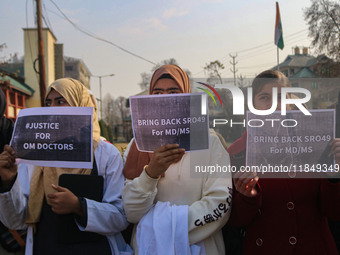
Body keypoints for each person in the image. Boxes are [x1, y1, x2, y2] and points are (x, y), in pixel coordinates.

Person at [0, 78, 131, 255]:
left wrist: (79, 206)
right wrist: (8, 183)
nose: (53, 108)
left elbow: (120, 217)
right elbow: (16, 221)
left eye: (60, 101)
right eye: (48, 103)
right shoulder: (33, 155)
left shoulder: (105, 153)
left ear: (80, 104)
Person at [224, 70, 340, 255]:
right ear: (252, 104)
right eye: (264, 97)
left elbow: (335, 213)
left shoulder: (319, 143)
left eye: (281, 97)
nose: (274, 105)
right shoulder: (236, 153)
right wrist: (248, 196)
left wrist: (334, 177)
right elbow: (233, 221)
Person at [122, 64, 233, 254]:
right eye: (157, 93)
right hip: (148, 247)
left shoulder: (211, 143)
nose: (164, 99)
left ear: (186, 97)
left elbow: (220, 203)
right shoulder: (137, 146)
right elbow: (131, 211)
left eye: (173, 92)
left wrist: (163, 229)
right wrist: (151, 173)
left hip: (201, 247)